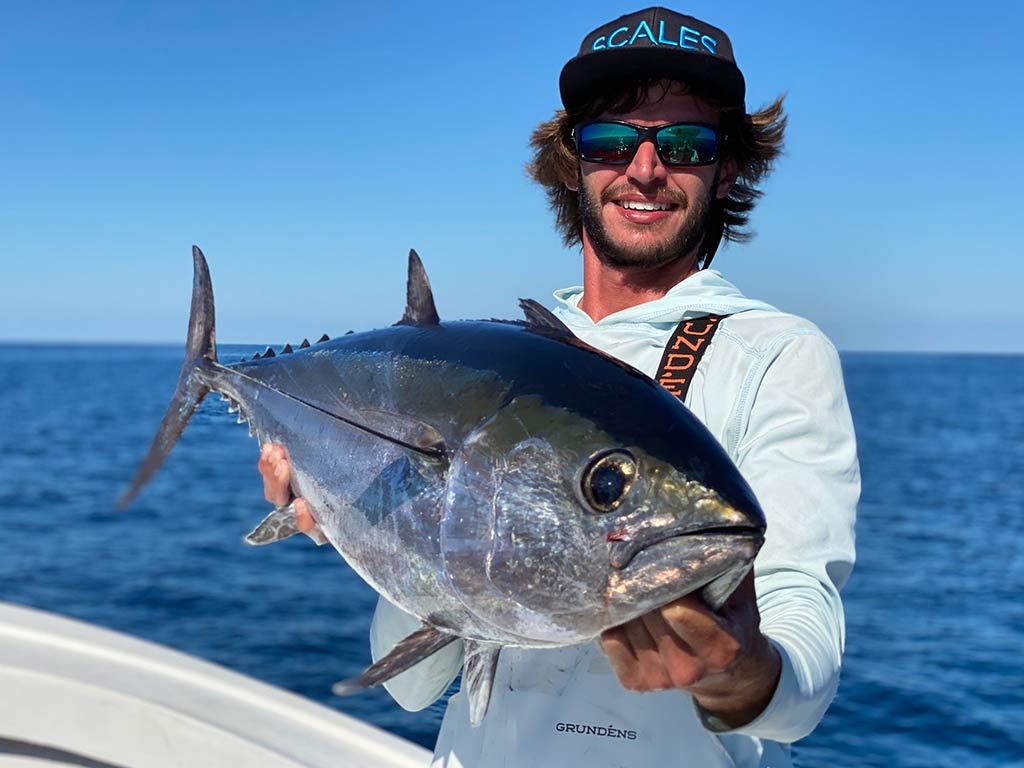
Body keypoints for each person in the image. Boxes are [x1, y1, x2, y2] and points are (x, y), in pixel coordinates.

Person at [260, 7, 858, 767]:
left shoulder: (773, 354)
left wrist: (741, 673)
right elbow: (411, 690)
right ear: (574, 163)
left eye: (685, 143)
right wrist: (358, 514)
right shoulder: (512, 358)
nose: (645, 168)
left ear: (728, 167)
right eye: (611, 140)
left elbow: (801, 635)